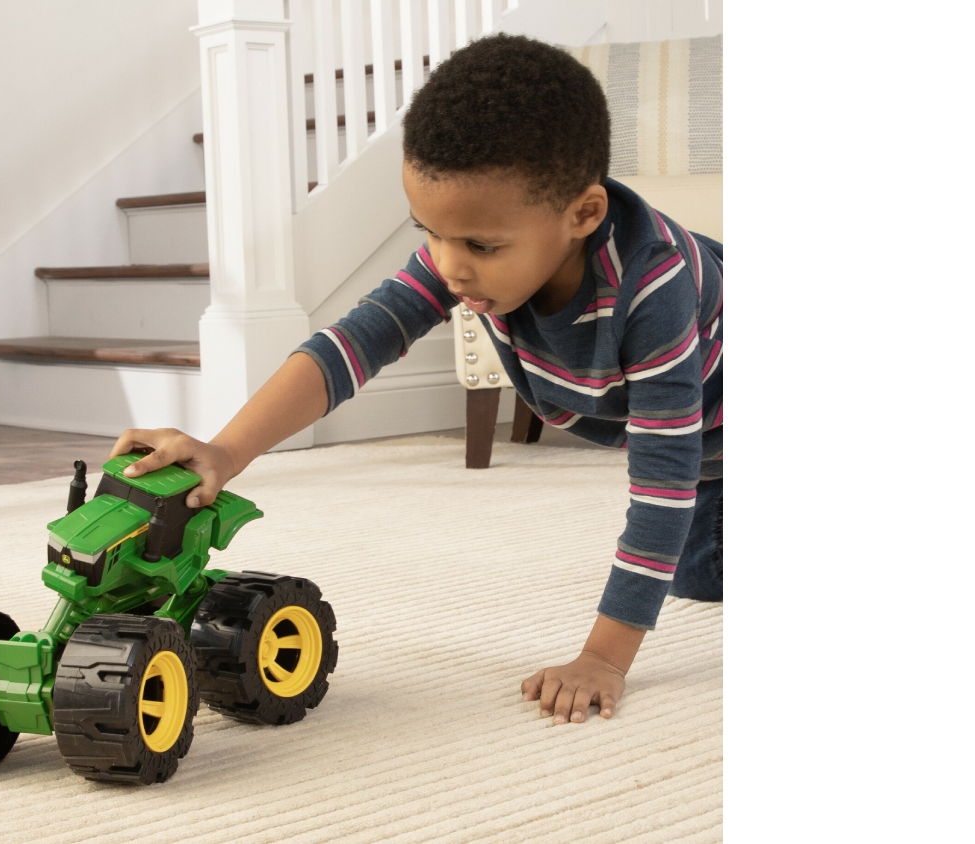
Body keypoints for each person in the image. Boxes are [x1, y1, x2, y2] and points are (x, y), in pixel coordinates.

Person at [109, 33, 722, 726]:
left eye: (481, 245)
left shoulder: (654, 288)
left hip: (716, 435)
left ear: (582, 214)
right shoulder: (464, 255)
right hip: (707, 458)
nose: (450, 266)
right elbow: (351, 344)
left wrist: (604, 659)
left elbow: (664, 480)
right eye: (429, 232)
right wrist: (225, 451)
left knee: (686, 547)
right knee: (698, 577)